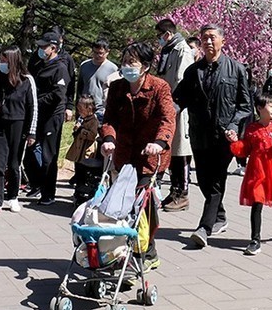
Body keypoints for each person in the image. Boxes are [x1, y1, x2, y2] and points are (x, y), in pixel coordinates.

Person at [173, 24, 253, 249]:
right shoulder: (193, 71)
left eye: (212, 38)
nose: (208, 42)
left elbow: (246, 105)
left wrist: (235, 125)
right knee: (204, 181)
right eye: (204, 38)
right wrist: (168, 112)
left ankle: (204, 228)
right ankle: (219, 216)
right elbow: (179, 99)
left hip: (223, 137)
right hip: (199, 135)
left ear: (222, 41)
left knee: (217, 181)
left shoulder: (236, 69)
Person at [99, 41, 176, 268]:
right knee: (122, 205)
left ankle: (145, 252)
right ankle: (124, 250)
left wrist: (159, 142)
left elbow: (168, 119)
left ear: (145, 66)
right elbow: (110, 119)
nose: (126, 67)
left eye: (131, 62)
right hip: (124, 154)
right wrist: (109, 139)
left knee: (144, 205)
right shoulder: (117, 87)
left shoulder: (160, 87)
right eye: (124, 62)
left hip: (150, 157)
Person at [230, 95, 272, 255]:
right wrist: (234, 142)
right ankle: (255, 240)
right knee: (257, 202)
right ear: (260, 109)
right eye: (270, 105)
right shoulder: (252, 129)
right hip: (257, 172)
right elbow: (245, 148)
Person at [0, 45, 37, 216]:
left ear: (13, 60)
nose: (2, 62)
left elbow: (32, 107)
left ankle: (13, 197)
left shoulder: (27, 80)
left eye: (5, 60)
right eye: (1, 59)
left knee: (14, 164)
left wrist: (31, 132)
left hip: (19, 125)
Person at [156, 19, 195, 211]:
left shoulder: (182, 50)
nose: (158, 41)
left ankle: (183, 193)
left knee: (180, 152)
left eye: (159, 37)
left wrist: (172, 105)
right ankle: (174, 190)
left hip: (178, 108)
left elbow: (182, 81)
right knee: (171, 152)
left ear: (167, 35)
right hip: (167, 107)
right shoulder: (168, 51)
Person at [28, 31, 70, 205]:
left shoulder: (60, 68)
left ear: (53, 48)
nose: (40, 49)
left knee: (48, 155)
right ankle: (37, 184)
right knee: (29, 149)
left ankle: (48, 194)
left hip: (52, 116)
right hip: (37, 114)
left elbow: (58, 94)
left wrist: (36, 102)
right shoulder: (39, 64)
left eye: (43, 46)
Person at [77, 38, 118, 118]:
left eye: (101, 53)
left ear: (107, 52)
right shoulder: (84, 66)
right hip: (85, 107)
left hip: (102, 109)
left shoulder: (113, 69)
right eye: (95, 52)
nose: (98, 56)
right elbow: (80, 88)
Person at [65, 95, 100, 186]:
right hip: (78, 152)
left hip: (86, 152)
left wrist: (81, 130)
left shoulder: (93, 121)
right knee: (78, 169)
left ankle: (82, 189)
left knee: (84, 172)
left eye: (81, 108)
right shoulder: (83, 119)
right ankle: (78, 188)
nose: (79, 111)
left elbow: (93, 135)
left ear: (89, 108)